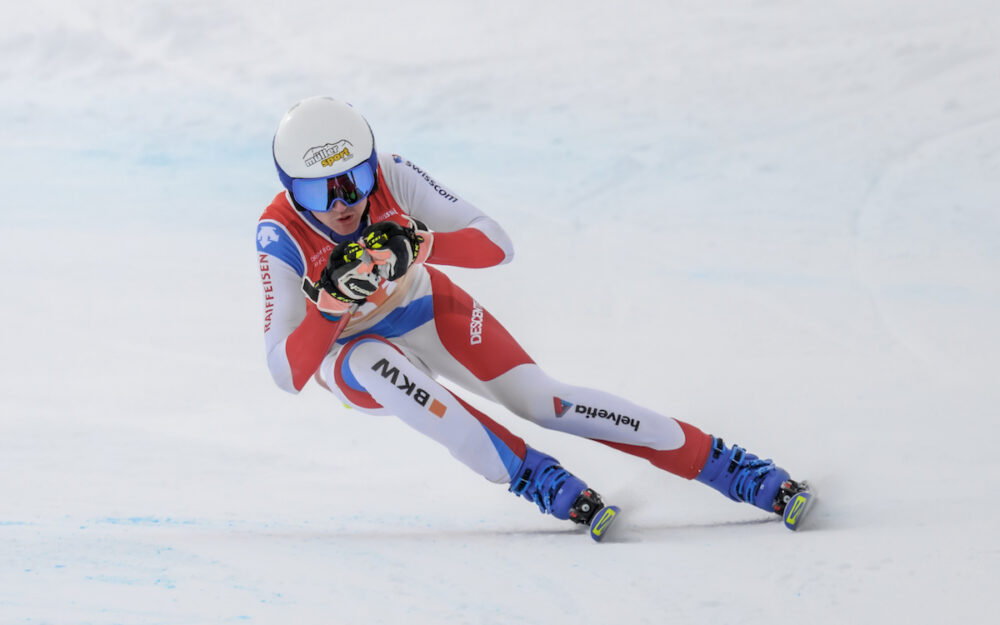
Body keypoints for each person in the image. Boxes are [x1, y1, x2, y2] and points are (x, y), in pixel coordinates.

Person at [256, 96, 810, 535]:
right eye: (318, 190)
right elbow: (287, 373)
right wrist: (330, 310)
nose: (341, 202)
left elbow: (495, 244)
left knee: (544, 401)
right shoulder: (278, 234)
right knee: (384, 367)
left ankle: (728, 466)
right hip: (351, 354)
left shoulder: (392, 174)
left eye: (352, 180)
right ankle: (537, 478)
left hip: (423, 305)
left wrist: (423, 246)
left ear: (370, 166)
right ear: (290, 190)